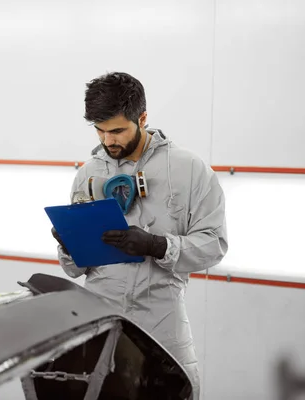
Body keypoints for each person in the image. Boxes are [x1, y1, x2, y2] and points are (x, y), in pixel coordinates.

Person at [52, 71, 228, 399]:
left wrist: (158, 245)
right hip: (100, 319)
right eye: (101, 131)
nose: (108, 141)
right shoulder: (88, 174)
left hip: (161, 319)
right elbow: (74, 269)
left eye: (117, 130)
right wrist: (69, 245)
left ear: (142, 118)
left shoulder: (189, 169)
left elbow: (215, 244)